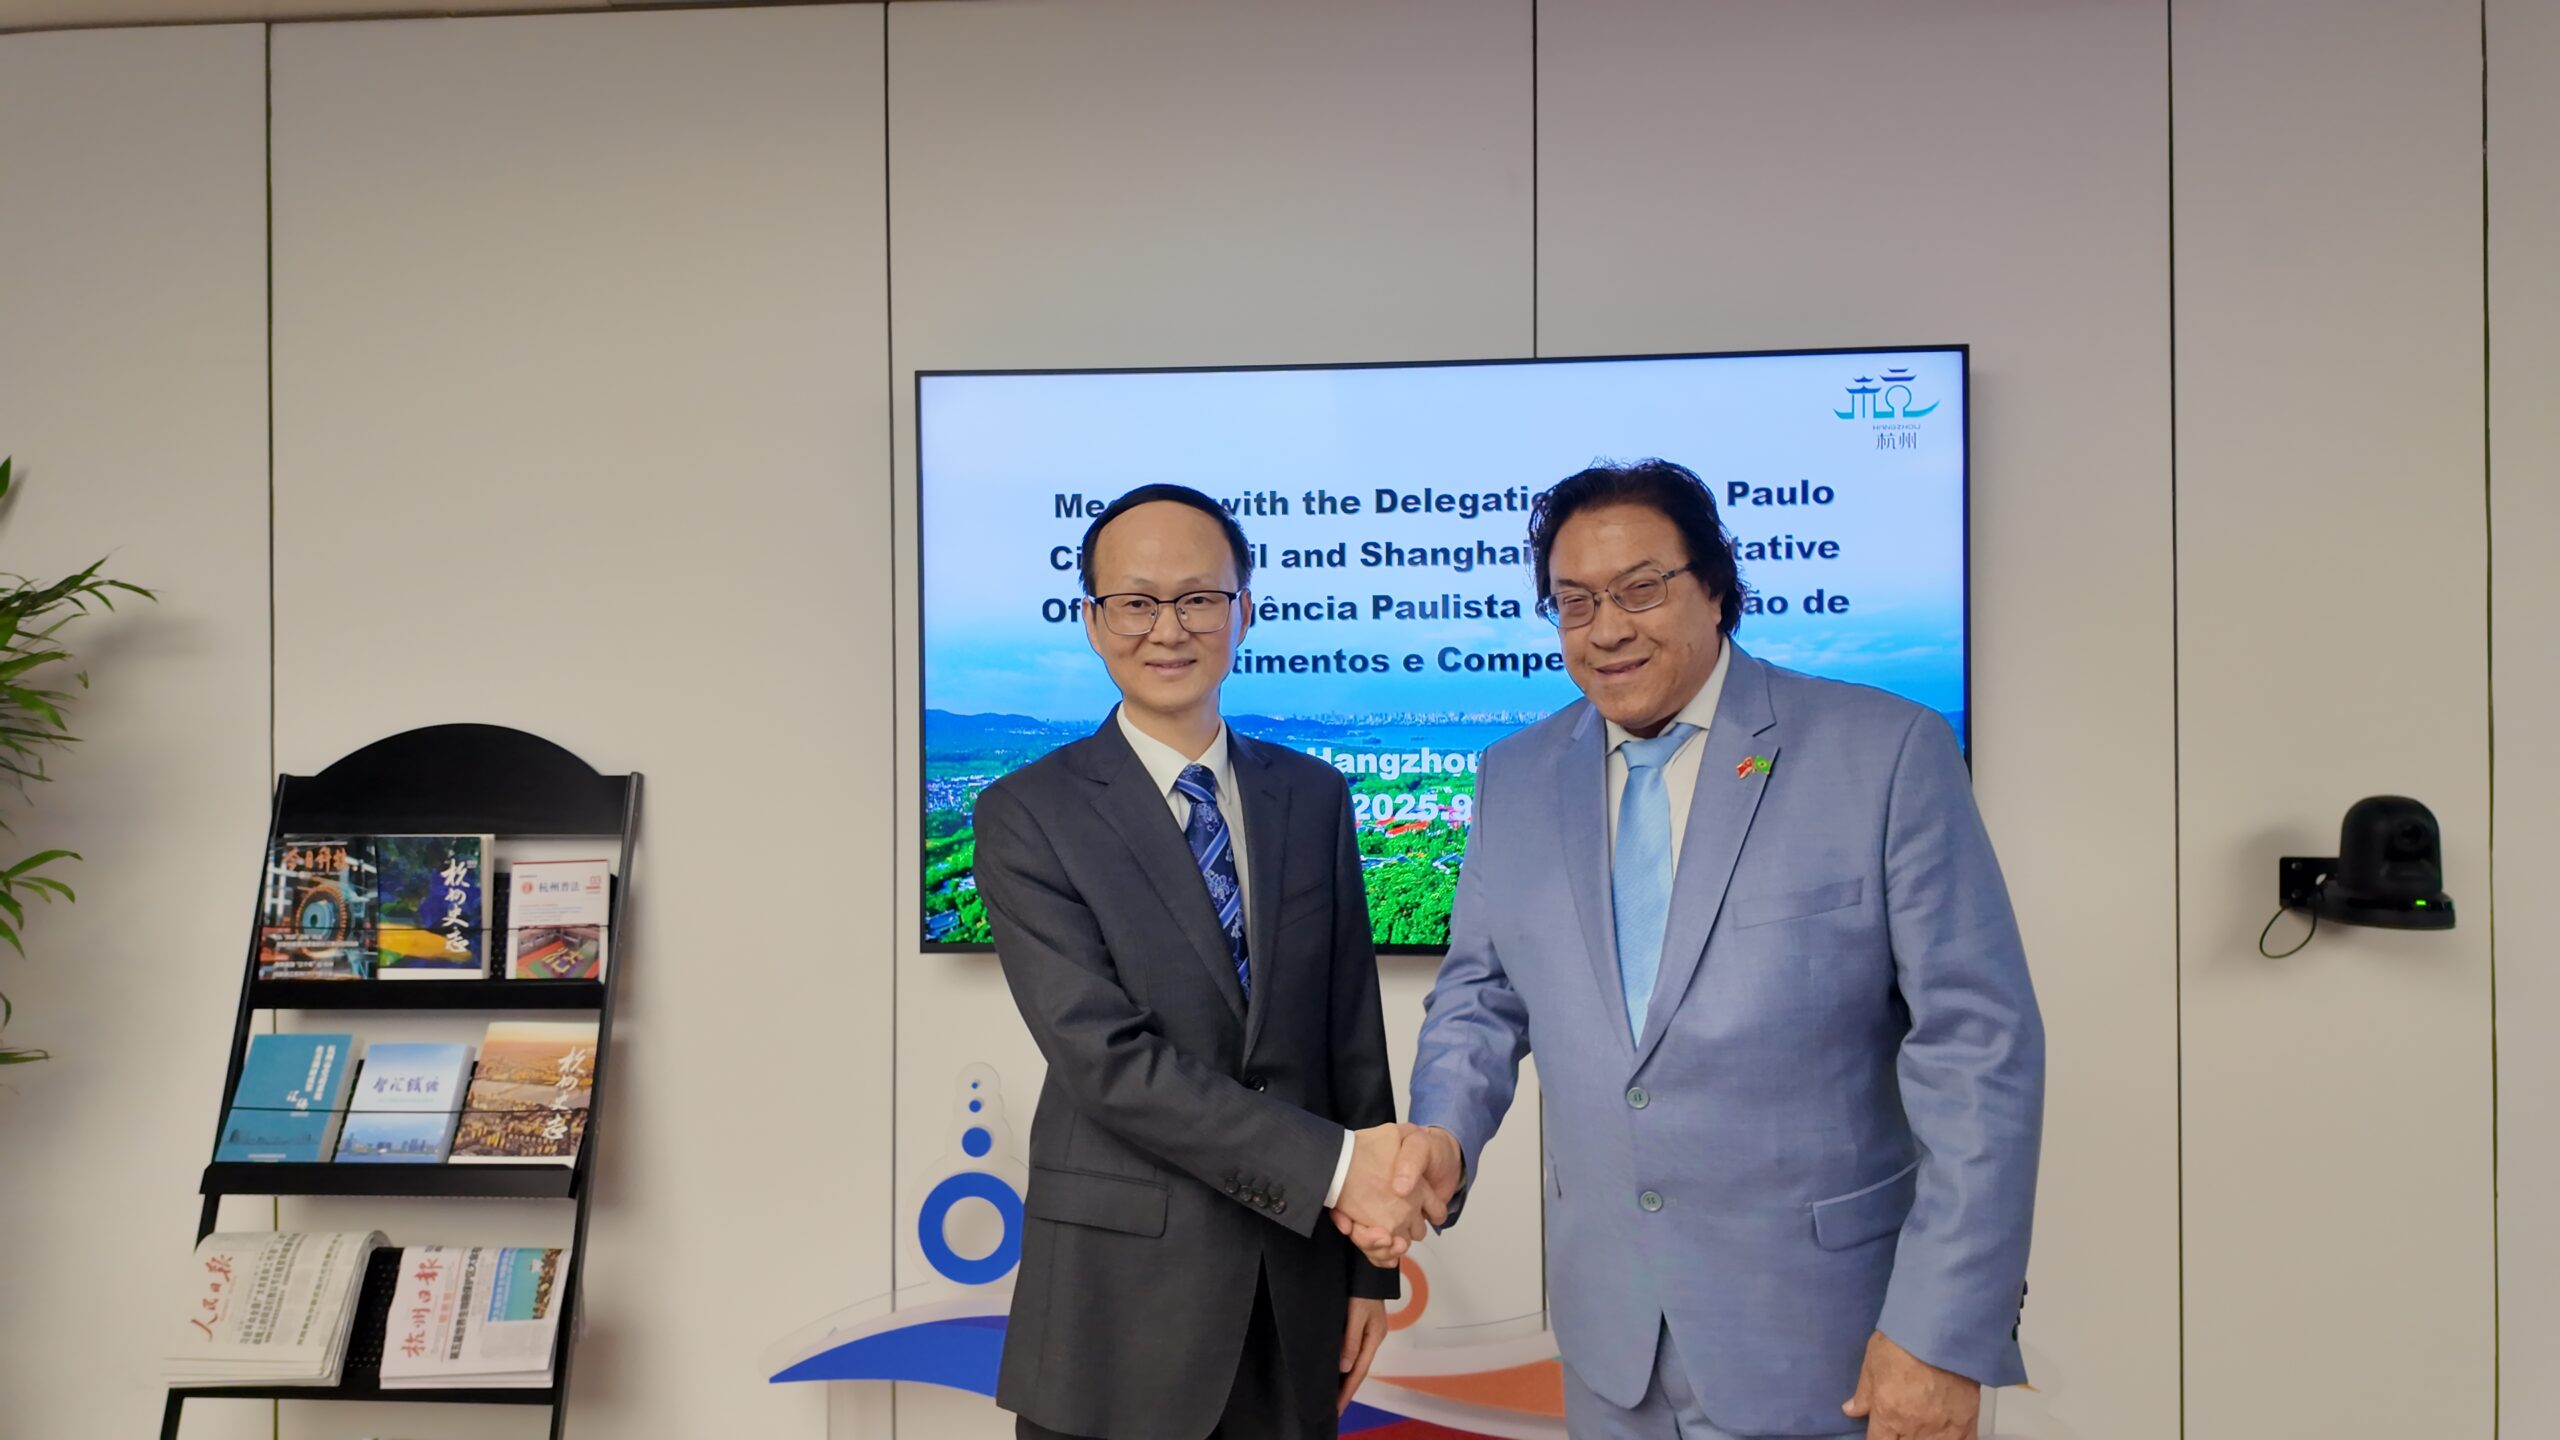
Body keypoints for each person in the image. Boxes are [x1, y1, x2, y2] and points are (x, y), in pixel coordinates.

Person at [1346, 459, 2043, 1440]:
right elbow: (1480, 995)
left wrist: (1941, 1334)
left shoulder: (1884, 752)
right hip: (1611, 1346)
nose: (1606, 628)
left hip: (1832, 1344)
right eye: (1574, 601)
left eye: (1640, 589)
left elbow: (1979, 1054)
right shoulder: (1516, 774)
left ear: (1714, 586)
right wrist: (1442, 1135)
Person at [973, 483, 1420, 1440]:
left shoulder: (1314, 796)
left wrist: (1366, 1272)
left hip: (1295, 1284)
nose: (1168, 628)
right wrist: (1340, 1169)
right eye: (1136, 602)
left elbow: (1352, 1041)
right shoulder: (1027, 814)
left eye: (1198, 599)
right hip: (1115, 1303)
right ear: (1093, 622)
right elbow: (1106, 1061)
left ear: (1243, 611)